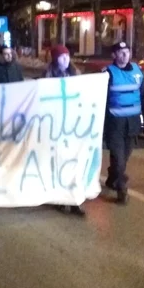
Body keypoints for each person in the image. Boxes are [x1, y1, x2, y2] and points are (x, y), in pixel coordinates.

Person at [103, 41, 144, 204]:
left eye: (127, 52)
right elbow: (100, 99)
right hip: (114, 123)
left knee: (125, 156)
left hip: (132, 123)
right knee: (119, 157)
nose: (125, 55)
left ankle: (112, 178)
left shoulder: (137, 71)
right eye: (121, 52)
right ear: (114, 55)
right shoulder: (108, 73)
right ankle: (122, 190)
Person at [42, 45, 85, 216]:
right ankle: (60, 197)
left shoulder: (76, 75)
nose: (65, 59)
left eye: (67, 56)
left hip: (73, 127)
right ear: (55, 59)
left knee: (75, 162)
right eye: (61, 57)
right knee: (59, 163)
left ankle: (75, 200)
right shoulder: (48, 76)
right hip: (55, 127)